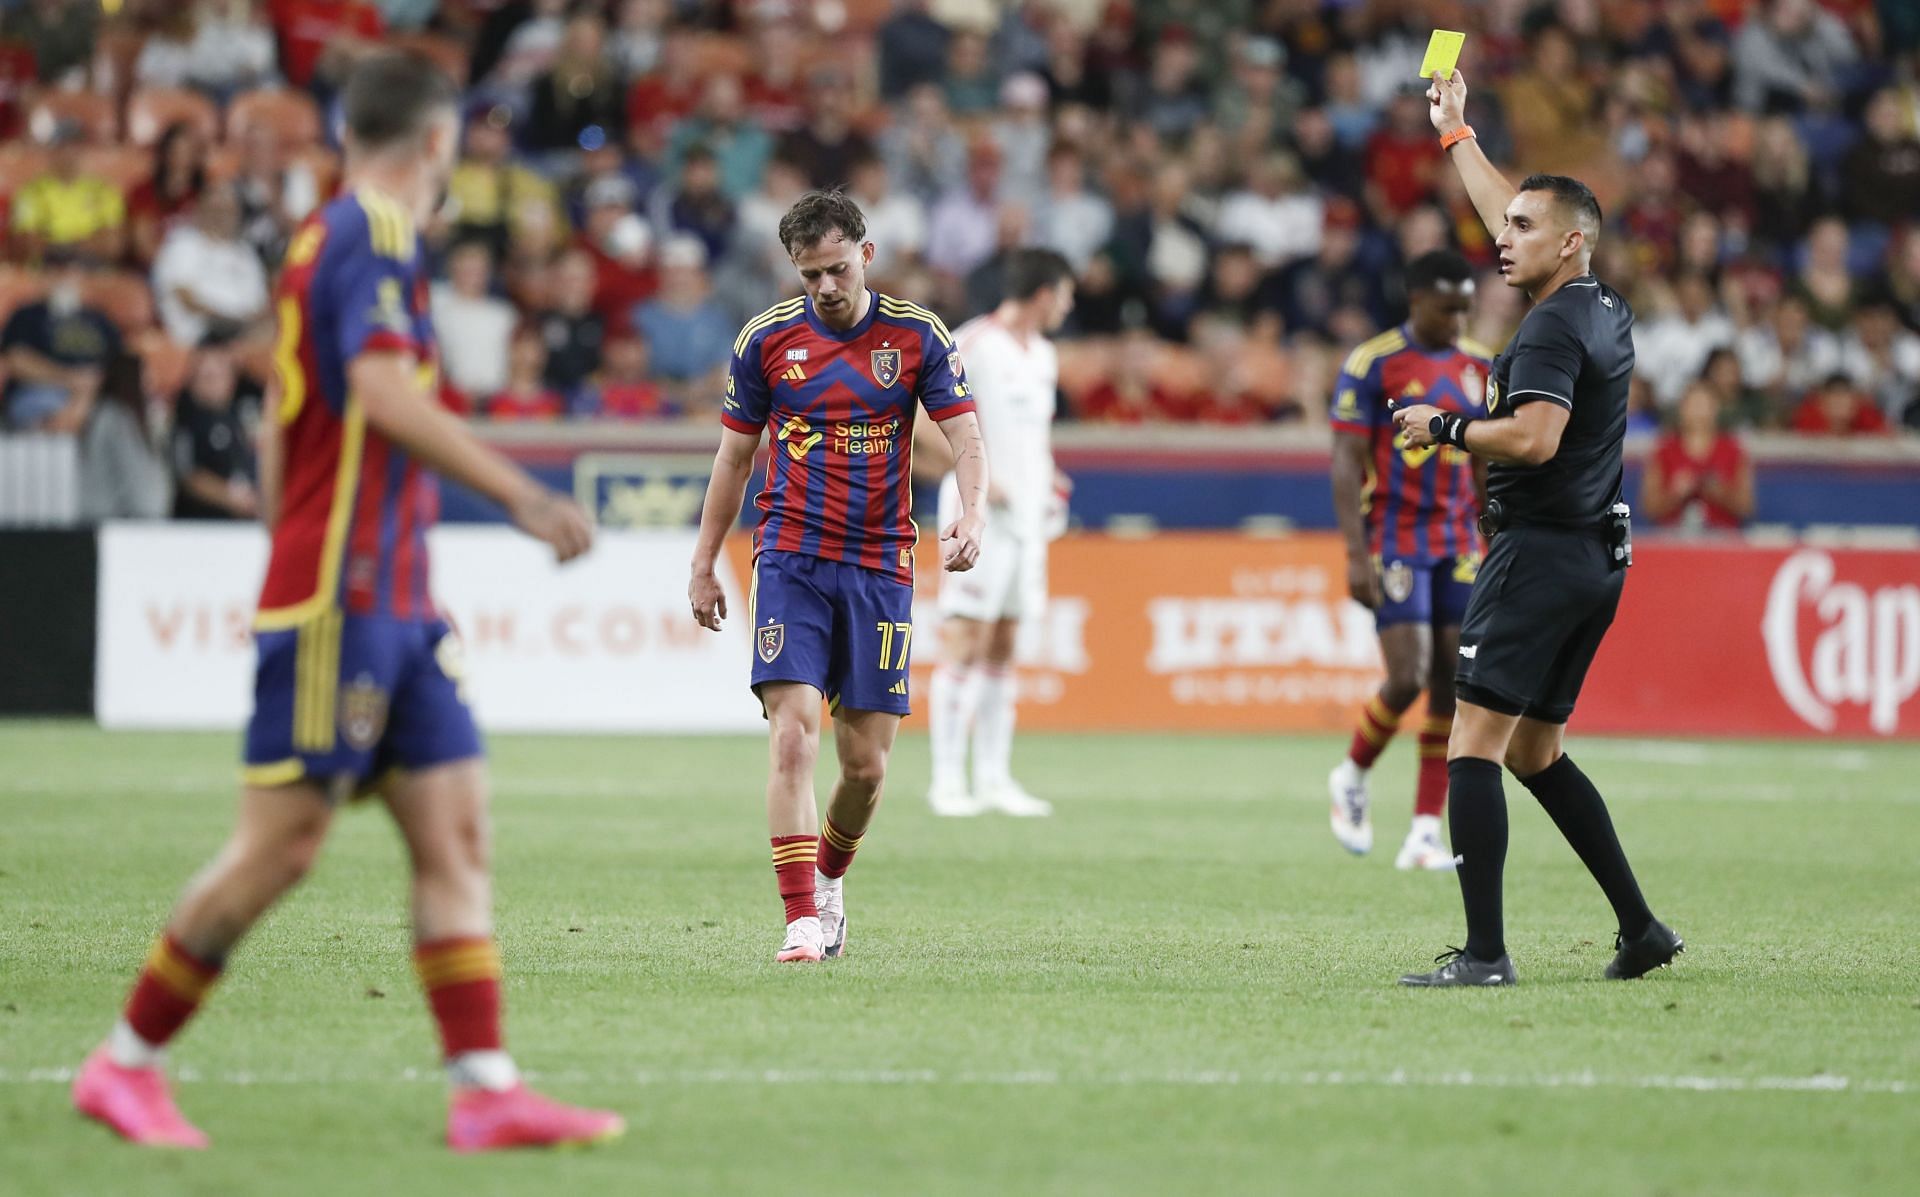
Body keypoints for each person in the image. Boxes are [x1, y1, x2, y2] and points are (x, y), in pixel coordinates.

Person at [70, 51, 619, 1152]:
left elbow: (287, 417)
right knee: (283, 845)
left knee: (456, 827)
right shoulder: (373, 230)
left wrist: (302, 515)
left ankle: (484, 1088)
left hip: (395, 593)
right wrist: (517, 494)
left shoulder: (327, 239)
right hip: (343, 591)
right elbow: (374, 392)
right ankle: (124, 1063)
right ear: (436, 141)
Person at [1387, 69, 1682, 988]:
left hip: (1540, 551)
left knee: (1473, 746)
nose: (1498, 238)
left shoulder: (1551, 329)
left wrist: (1444, 428)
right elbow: (1513, 217)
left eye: (1519, 229)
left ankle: (1483, 955)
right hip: (1597, 553)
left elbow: (1536, 436)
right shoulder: (1597, 306)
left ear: (1572, 242)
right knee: (1534, 749)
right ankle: (1640, 928)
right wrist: (1456, 134)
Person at [687, 189, 988, 965]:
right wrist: (703, 559)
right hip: (788, 557)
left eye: (837, 267)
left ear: (868, 254)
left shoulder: (917, 336)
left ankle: (829, 877)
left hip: (881, 565)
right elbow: (733, 458)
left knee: (865, 769)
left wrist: (973, 512)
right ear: (794, 267)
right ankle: (799, 921)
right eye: (810, 272)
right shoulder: (765, 340)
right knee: (792, 739)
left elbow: (965, 436)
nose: (825, 286)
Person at [1326, 250, 1492, 872]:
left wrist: (1492, 531)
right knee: (1407, 674)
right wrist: (1354, 551)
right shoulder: (1373, 363)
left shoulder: (1480, 366)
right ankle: (1352, 773)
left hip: (1458, 540)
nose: (1456, 318)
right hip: (1394, 535)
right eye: (1446, 306)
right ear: (1415, 299)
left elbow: (1484, 458)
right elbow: (1345, 462)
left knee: (1452, 678)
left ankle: (1424, 831)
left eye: (1464, 307)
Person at [917, 248, 1074, 818]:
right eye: (1066, 293)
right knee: (965, 640)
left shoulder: (1045, 356)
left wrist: (1048, 475)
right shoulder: (972, 344)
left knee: (1005, 646)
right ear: (1044, 294)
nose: (1069, 304)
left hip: (1029, 521)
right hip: (977, 514)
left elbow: (1031, 434)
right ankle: (945, 782)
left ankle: (993, 778)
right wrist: (977, 478)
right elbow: (918, 419)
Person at [169, 334, 262, 521]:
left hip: (244, 525)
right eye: (206, 375)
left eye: (220, 372)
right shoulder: (186, 419)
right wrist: (231, 498)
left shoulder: (240, 414)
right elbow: (187, 474)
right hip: (203, 526)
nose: (214, 379)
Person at [1640, 382, 1753, 530]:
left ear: (1715, 409)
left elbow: (1746, 507)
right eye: (1693, 405)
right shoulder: (1664, 451)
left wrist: (1719, 491)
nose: (1698, 412)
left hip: (1722, 539)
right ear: (1682, 409)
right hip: (1672, 538)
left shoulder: (1733, 450)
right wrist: (1676, 493)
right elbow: (1649, 508)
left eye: (1703, 405)